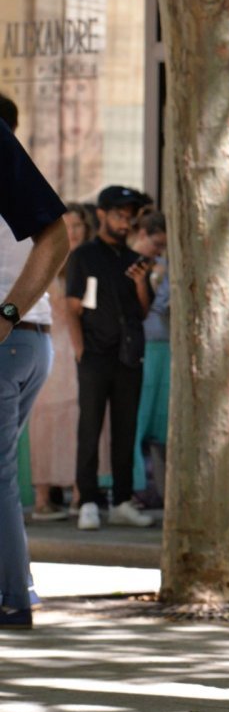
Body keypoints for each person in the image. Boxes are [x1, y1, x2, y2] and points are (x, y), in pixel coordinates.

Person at [0, 115, 70, 629]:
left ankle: (14, 596)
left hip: (14, 342)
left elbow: (56, 236)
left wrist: (5, 315)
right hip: (30, 342)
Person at [64, 185, 155, 531]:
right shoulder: (84, 255)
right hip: (95, 355)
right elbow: (71, 308)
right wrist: (80, 350)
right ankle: (87, 500)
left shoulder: (134, 261)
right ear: (101, 214)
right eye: (119, 214)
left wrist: (142, 283)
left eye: (130, 215)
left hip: (128, 356)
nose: (125, 221)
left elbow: (142, 312)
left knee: (126, 429)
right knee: (89, 428)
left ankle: (122, 499)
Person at [27, 204, 93, 520]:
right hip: (52, 347)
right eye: (67, 225)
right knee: (47, 423)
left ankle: (80, 494)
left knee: (79, 419)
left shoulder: (88, 262)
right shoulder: (42, 261)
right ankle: (43, 497)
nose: (73, 232)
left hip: (80, 349)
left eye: (78, 225)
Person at [129, 211, 169, 506]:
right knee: (136, 419)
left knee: (161, 422)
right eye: (156, 244)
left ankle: (160, 488)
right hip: (140, 345)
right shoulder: (128, 263)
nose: (159, 252)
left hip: (164, 345)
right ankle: (135, 486)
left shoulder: (164, 265)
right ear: (142, 234)